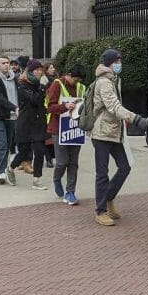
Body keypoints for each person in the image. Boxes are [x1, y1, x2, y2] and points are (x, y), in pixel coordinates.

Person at [90, 48, 148, 226]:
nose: (119, 64)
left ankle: (108, 198)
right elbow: (114, 106)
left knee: (124, 166)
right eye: (116, 61)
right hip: (102, 133)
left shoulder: (115, 80)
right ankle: (100, 211)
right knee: (102, 173)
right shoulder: (104, 82)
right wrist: (136, 119)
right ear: (108, 63)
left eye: (120, 61)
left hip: (115, 132)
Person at [46, 64, 87, 204]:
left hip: (75, 128)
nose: (77, 83)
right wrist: (65, 106)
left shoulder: (81, 87)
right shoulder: (57, 85)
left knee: (73, 163)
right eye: (75, 80)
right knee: (62, 161)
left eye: (79, 80)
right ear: (68, 75)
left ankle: (70, 192)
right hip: (58, 128)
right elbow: (50, 107)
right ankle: (57, 179)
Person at [9, 59, 48, 189]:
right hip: (25, 123)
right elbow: (34, 100)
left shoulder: (42, 84)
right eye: (36, 70)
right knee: (23, 153)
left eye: (40, 70)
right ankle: (10, 168)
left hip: (38, 123)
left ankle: (37, 180)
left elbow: (42, 104)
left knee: (40, 151)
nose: (39, 72)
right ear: (30, 71)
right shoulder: (23, 85)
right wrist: (42, 88)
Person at [41, 61, 60, 167]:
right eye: (51, 68)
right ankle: (48, 159)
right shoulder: (44, 80)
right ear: (46, 70)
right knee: (47, 138)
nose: (53, 69)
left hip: (55, 111)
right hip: (47, 111)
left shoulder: (58, 80)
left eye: (53, 67)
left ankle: (56, 157)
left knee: (55, 137)